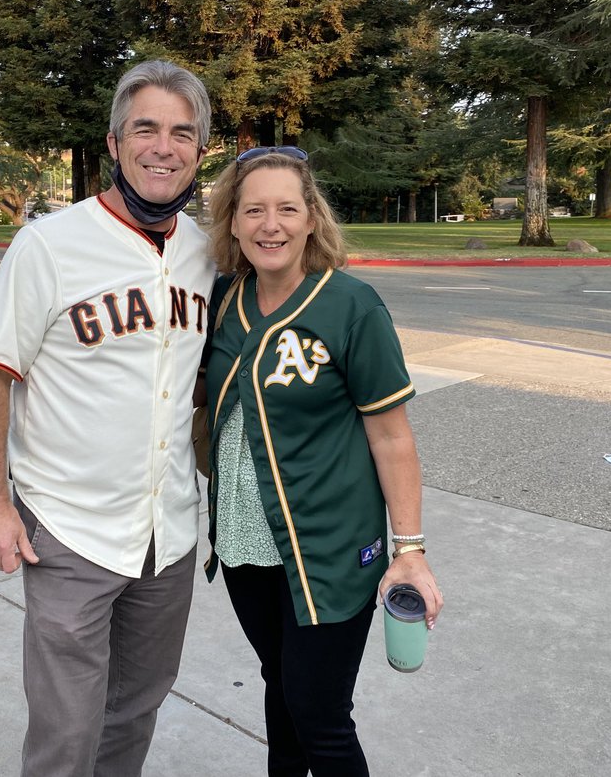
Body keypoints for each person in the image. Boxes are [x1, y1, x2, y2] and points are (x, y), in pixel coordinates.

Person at [0, 60, 216, 777]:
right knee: (67, 733)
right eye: (146, 129)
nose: (162, 147)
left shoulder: (204, 254)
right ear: (114, 141)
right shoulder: (49, 244)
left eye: (181, 133)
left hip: (167, 534)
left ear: (199, 152)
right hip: (69, 531)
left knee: (136, 710)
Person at [202, 146, 444, 776]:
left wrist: (410, 548)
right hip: (245, 542)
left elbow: (392, 436)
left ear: (312, 218)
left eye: (287, 208)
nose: (270, 224)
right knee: (279, 690)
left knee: (320, 713)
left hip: (328, 548)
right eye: (253, 209)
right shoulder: (224, 299)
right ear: (232, 221)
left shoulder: (351, 306)